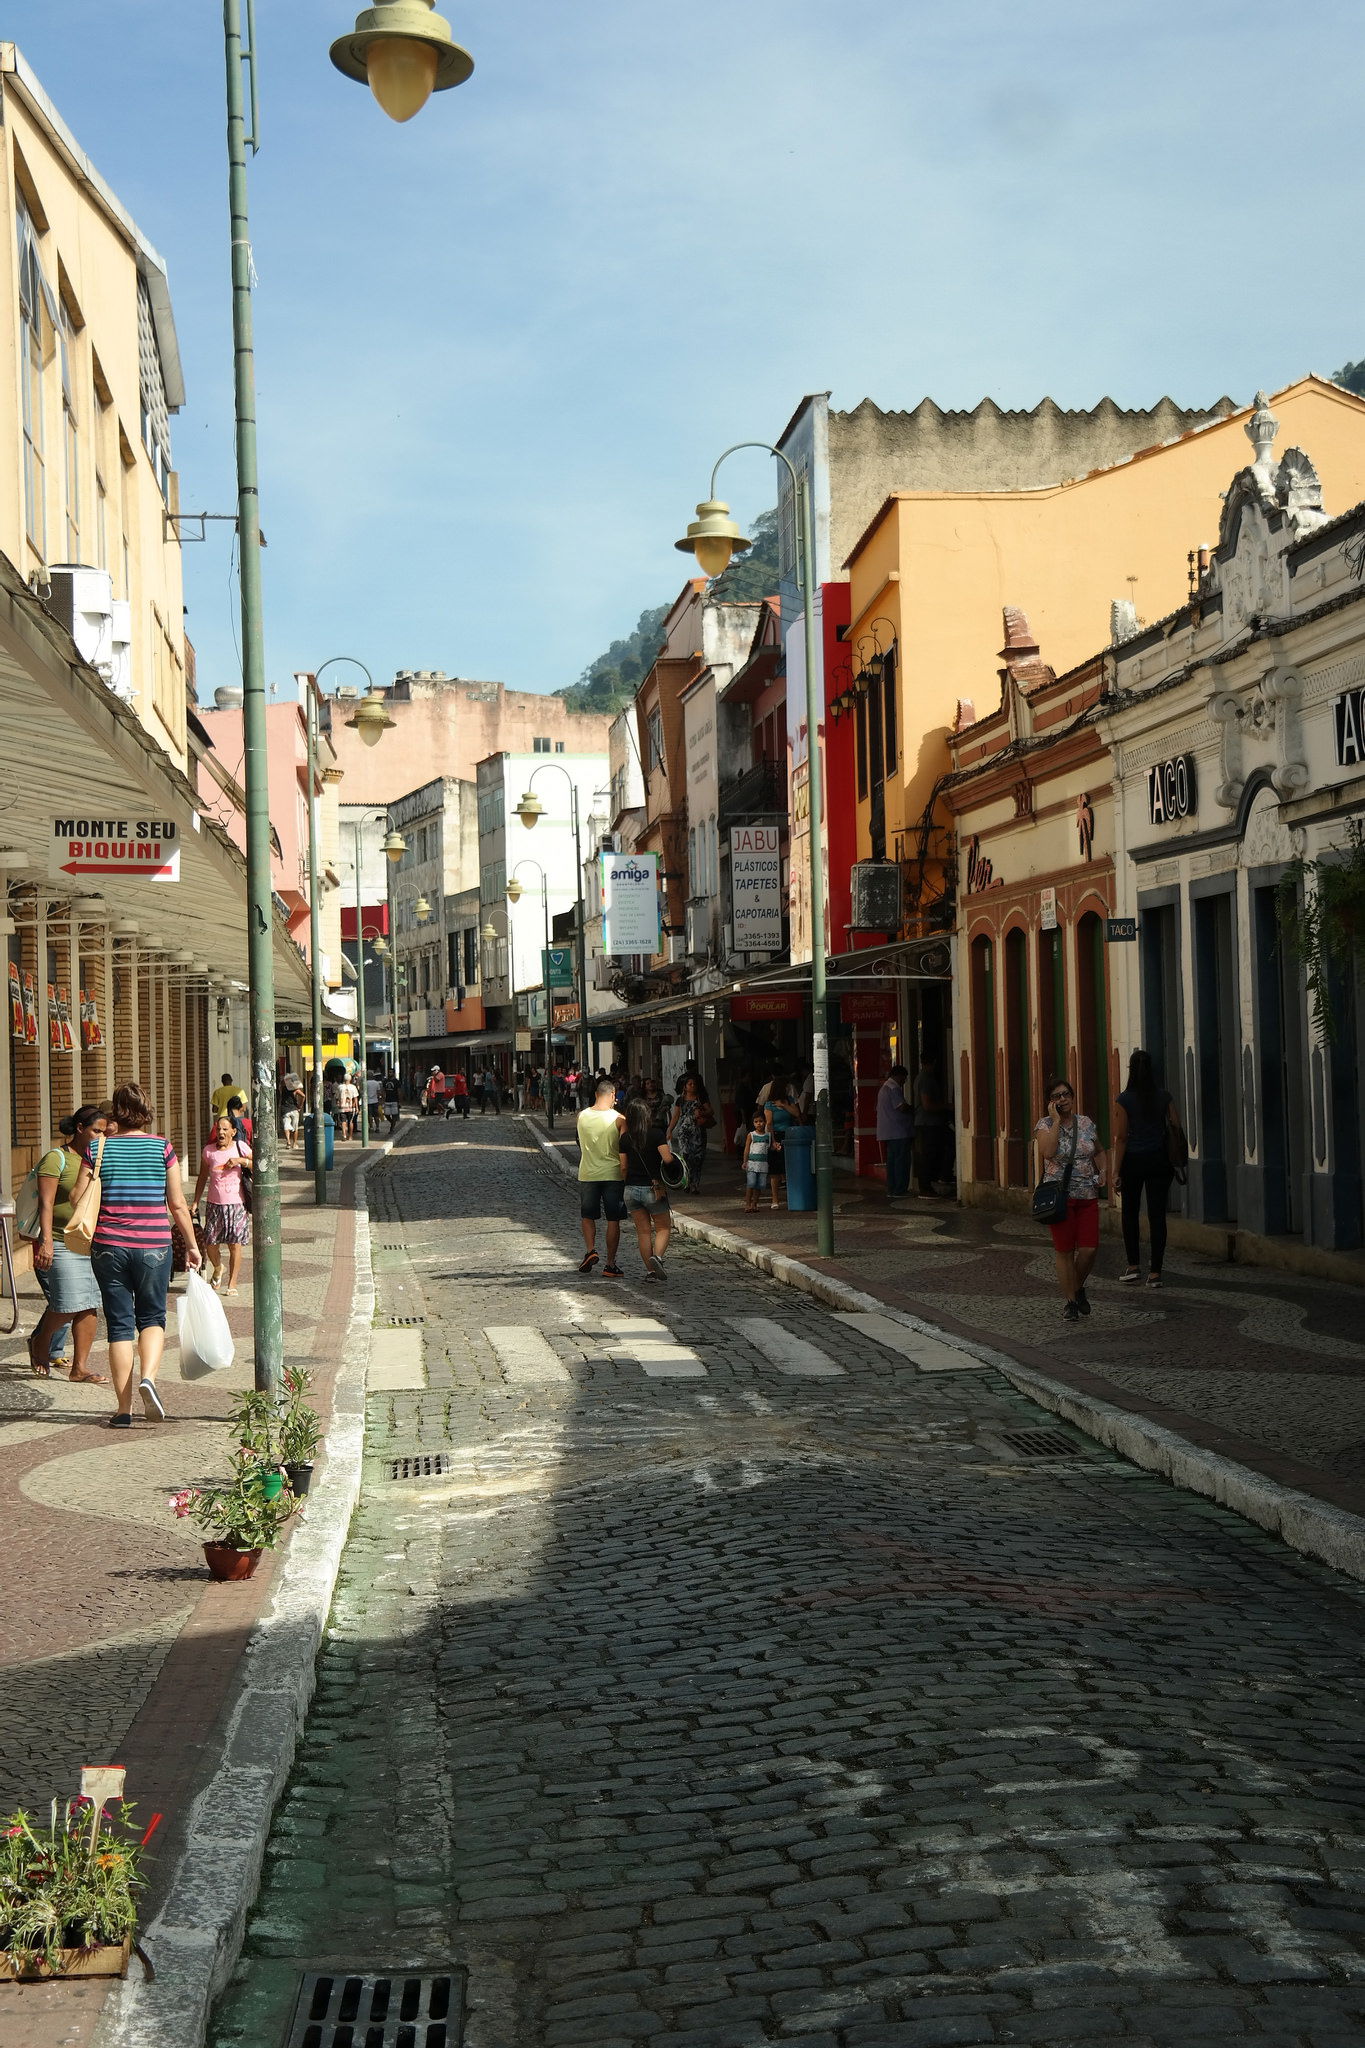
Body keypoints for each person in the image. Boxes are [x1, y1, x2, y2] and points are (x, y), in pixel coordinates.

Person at [70, 1081, 201, 1427]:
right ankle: (150, 1380)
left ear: (116, 1112)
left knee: (119, 1326)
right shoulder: (163, 1148)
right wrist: (191, 1244)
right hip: (154, 1246)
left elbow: (76, 1200)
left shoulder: (97, 1150)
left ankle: (123, 1409)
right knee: (153, 1318)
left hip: (108, 1246)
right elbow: (177, 1203)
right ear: (146, 1112)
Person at [22, 1102, 109, 1383]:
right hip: (60, 1240)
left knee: (89, 1305)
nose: (100, 1137)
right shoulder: (56, 1158)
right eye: (96, 1131)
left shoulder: (99, 1159)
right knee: (67, 1303)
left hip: (92, 1242)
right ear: (80, 1129)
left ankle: (79, 1368)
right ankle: (40, 1343)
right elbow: (46, 1204)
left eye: (104, 1132)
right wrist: (45, 1242)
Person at [1036, 1076, 1108, 1324]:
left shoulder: (1086, 1123)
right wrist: (1056, 1121)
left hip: (1087, 1194)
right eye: (1056, 1096)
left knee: (1089, 1249)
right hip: (1060, 1197)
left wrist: (1104, 1170)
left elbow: (1098, 1150)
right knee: (1065, 1251)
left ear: (1073, 1097)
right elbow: (1048, 1152)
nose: (1063, 1099)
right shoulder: (1044, 1125)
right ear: (1050, 1102)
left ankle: (1076, 1287)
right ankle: (1070, 1302)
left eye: (1066, 1094)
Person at [1113, 1049, 1182, 1289]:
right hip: (1160, 1161)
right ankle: (1155, 1272)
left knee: (1130, 1213)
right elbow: (1175, 1124)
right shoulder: (1164, 1096)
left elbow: (1121, 1137)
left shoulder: (1124, 1099)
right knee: (1157, 1216)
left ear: (1131, 1070)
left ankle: (1133, 1266)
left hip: (1133, 1161)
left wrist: (1115, 1171)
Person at [193, 1112, 253, 1296]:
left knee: (235, 1244)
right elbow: (203, 1177)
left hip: (236, 1204)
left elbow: (257, 1163)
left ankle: (232, 1284)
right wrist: (195, 1201)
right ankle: (218, 1268)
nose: (221, 1132)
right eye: (218, 1129)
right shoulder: (208, 1151)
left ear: (233, 1132)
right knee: (210, 1242)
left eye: (225, 1129)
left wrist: (240, 1161)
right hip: (214, 1204)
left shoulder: (240, 1147)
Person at [620, 1094, 677, 1281]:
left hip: (630, 1190)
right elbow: (668, 1159)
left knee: (643, 1232)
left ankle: (651, 1271)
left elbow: (623, 1167)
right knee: (663, 1228)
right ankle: (658, 1257)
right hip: (653, 1188)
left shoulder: (625, 1139)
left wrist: (624, 1185)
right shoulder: (656, 1134)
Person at [576, 1075, 627, 1277]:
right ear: (613, 1095)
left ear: (596, 1095)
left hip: (588, 1172)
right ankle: (610, 1264)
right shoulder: (619, 1119)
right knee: (613, 1219)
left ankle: (590, 1250)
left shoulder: (581, 1116)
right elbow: (625, 1149)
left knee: (588, 1215)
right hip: (613, 1174)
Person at [912, 1056, 953, 1195]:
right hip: (929, 1123)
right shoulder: (926, 1080)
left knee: (935, 1151)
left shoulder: (920, 1078)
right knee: (930, 1153)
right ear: (933, 1062)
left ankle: (939, 1177)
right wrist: (947, 1107)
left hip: (928, 1122)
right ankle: (927, 1184)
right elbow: (927, 1104)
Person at [668, 1074, 714, 1195]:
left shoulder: (701, 1098)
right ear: (685, 1087)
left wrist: (702, 1112)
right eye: (690, 1084)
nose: (692, 1086)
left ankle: (695, 1185)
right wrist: (670, 1130)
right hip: (684, 1132)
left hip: (698, 1132)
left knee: (698, 1158)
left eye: (694, 1084)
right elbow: (676, 1116)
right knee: (685, 1156)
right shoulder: (680, 1100)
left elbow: (711, 1111)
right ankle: (687, 1182)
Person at [876, 1063, 913, 1201]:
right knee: (901, 1161)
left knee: (892, 1162)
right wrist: (913, 1109)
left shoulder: (884, 1088)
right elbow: (901, 1107)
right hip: (898, 1131)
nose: (905, 1081)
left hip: (888, 1132)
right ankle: (900, 1189)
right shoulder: (893, 1088)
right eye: (904, 1078)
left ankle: (892, 1189)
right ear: (899, 1076)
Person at [764, 1078, 799, 1212]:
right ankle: (775, 1199)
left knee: (790, 1168)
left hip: (789, 1134)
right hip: (776, 1136)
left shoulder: (788, 1100)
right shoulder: (769, 1104)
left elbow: (796, 1113)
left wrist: (784, 1105)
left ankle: (792, 1197)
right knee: (775, 1171)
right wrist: (773, 1141)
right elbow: (769, 1123)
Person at [741, 1108, 772, 1214]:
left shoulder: (768, 1135)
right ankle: (747, 1204)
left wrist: (776, 1146)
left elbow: (771, 1147)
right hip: (752, 1164)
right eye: (756, 1122)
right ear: (753, 1123)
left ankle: (755, 1204)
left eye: (761, 1121)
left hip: (763, 1164)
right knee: (751, 1184)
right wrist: (745, 1161)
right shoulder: (751, 1135)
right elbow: (746, 1149)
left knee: (759, 1185)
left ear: (765, 1122)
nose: (759, 1124)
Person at [337, 1072, 360, 1138]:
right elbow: (355, 1098)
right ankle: (350, 1136)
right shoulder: (353, 1087)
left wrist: (338, 1103)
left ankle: (344, 1134)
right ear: (350, 1079)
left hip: (342, 1107)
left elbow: (337, 1097)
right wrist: (357, 1107)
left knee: (343, 1121)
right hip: (351, 1107)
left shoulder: (340, 1087)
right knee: (351, 1121)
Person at [282, 1082, 303, 1150]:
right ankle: (294, 1143)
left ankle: (288, 1142)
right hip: (294, 1110)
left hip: (285, 1110)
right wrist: (300, 1105)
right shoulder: (295, 1090)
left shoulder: (283, 1088)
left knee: (286, 1126)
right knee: (295, 1128)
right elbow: (303, 1096)